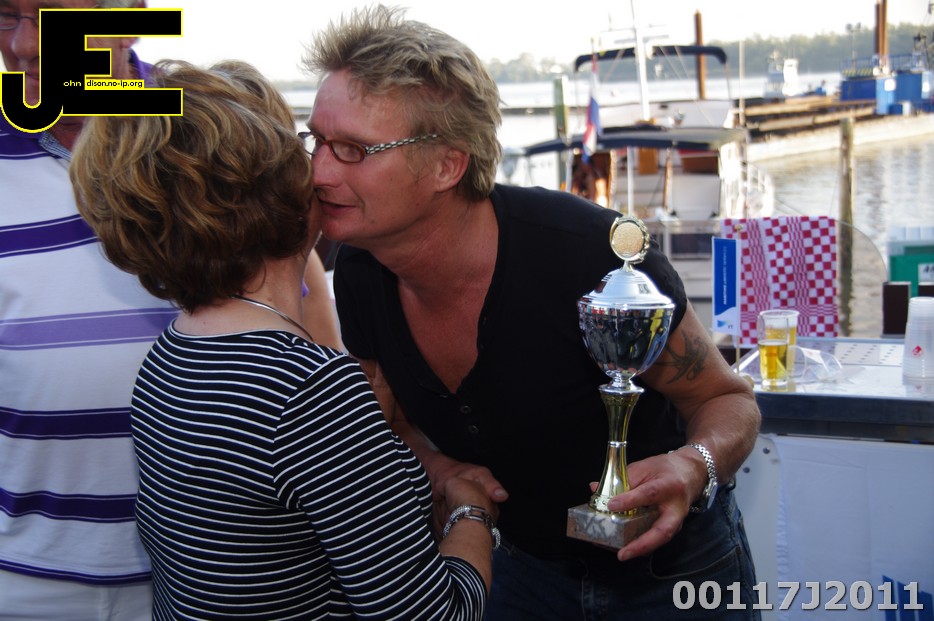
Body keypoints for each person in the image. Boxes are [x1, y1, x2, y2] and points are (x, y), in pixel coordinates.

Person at [303, 5, 762, 620]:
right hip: (516, 574)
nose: (318, 171)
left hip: (673, 577)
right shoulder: (361, 271)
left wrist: (693, 465)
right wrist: (440, 469)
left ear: (447, 165)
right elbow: (389, 421)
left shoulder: (590, 257)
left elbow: (727, 400)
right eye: (317, 140)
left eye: (353, 150)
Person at [69, 58, 496, 619]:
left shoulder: (171, 357)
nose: (319, 167)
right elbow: (434, 613)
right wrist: (471, 512)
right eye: (304, 147)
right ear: (275, 189)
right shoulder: (307, 388)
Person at [0, 2, 173, 619]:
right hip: (24, 578)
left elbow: (303, 329)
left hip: (212, 575)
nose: (23, 46)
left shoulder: (217, 135)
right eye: (5, 15)